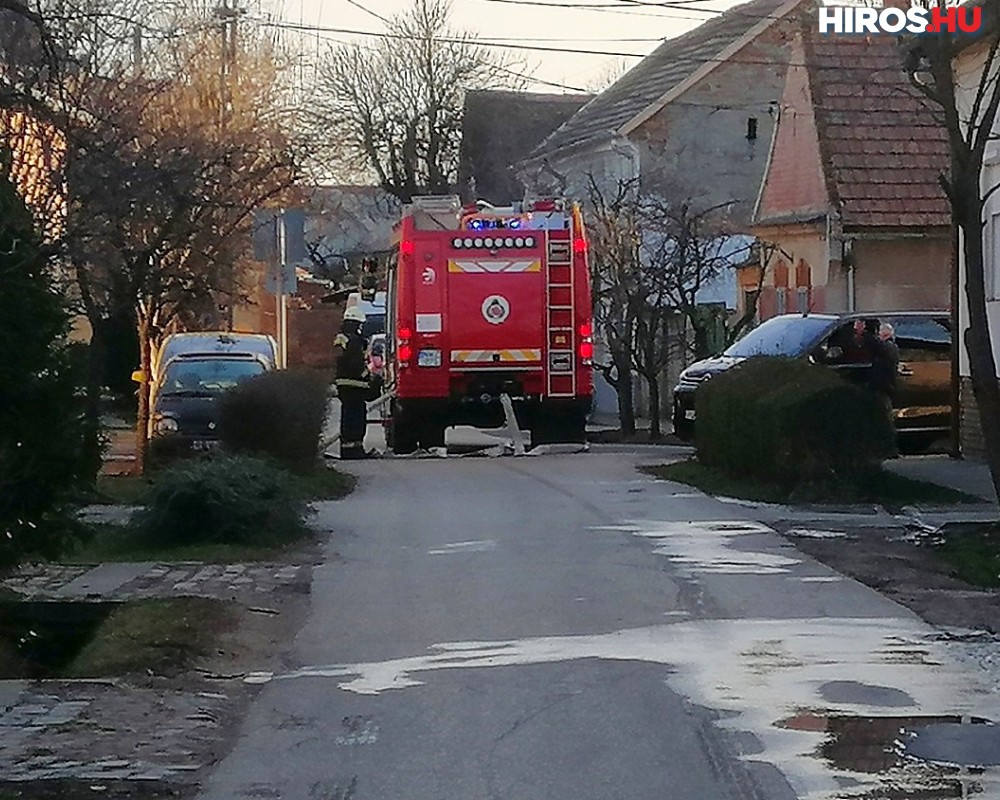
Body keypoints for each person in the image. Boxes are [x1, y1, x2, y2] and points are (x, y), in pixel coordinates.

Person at [334, 306, 373, 460]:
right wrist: (368, 376)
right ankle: (355, 449)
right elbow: (356, 363)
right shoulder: (353, 340)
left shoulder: (341, 338)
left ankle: (348, 449)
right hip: (355, 385)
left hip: (343, 384)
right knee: (356, 417)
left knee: (348, 416)